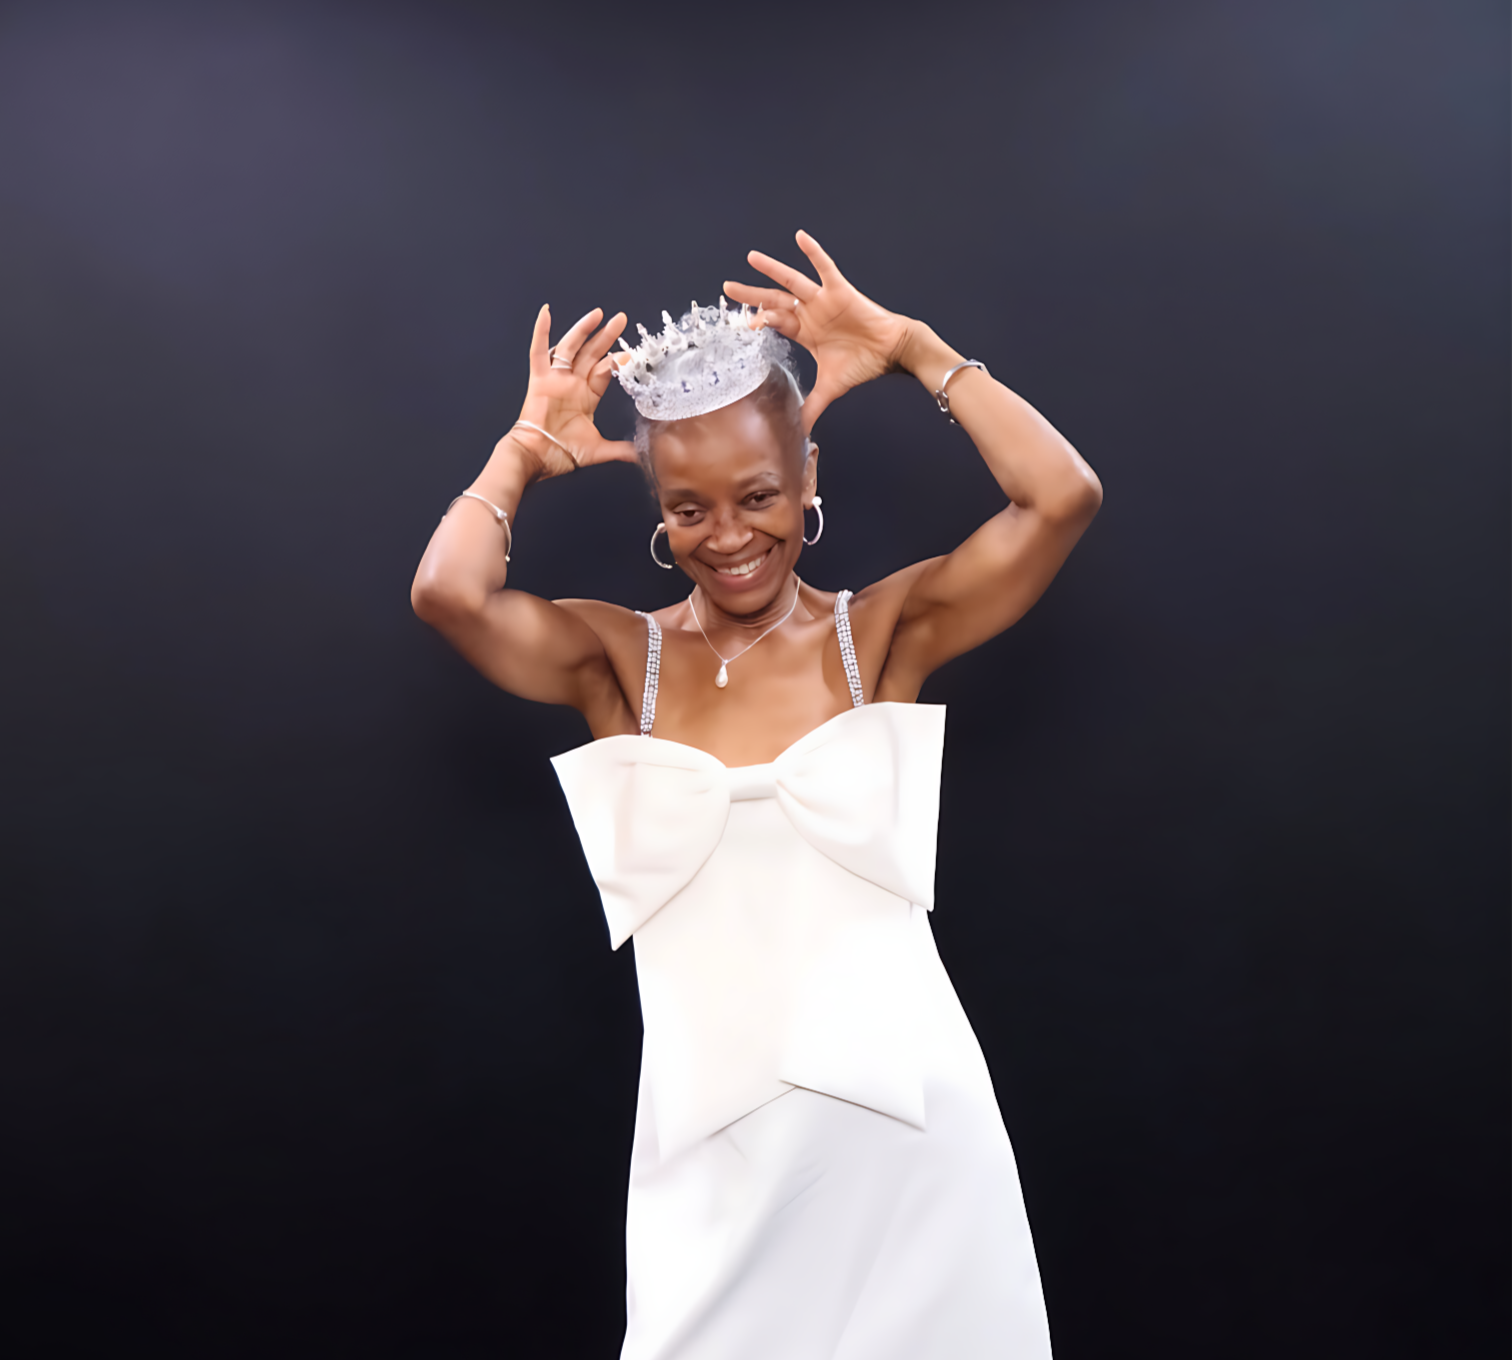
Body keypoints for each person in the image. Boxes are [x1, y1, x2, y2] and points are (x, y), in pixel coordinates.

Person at [411, 230, 1102, 1359]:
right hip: (713, 1160)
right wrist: (523, 449)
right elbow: (447, 591)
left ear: (809, 479)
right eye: (689, 510)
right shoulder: (613, 661)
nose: (729, 539)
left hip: (911, 1136)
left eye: (758, 496)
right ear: (658, 508)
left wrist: (914, 348)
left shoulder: (877, 634)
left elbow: (1061, 497)